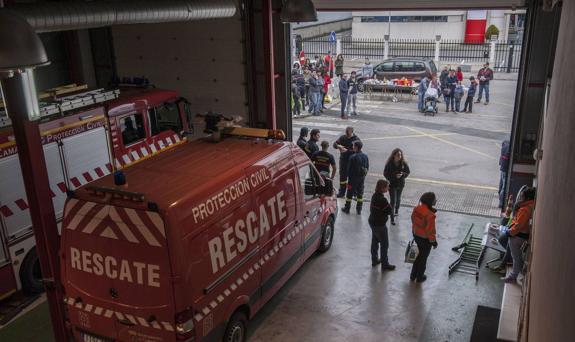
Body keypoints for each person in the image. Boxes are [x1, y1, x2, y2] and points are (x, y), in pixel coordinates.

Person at [501, 187, 536, 283]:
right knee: (518, 257)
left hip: (517, 236)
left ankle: (513, 276)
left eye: (522, 197)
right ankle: (519, 272)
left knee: (515, 256)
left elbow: (518, 225)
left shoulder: (525, 209)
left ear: (527, 198)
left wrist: (509, 232)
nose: (520, 198)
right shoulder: (531, 206)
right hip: (522, 235)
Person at [410, 192, 438, 283]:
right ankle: (420, 277)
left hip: (416, 235)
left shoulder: (416, 208)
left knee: (417, 256)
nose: (436, 200)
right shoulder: (430, 215)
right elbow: (430, 231)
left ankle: (412, 275)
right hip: (425, 240)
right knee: (423, 259)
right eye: (435, 199)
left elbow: (412, 219)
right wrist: (433, 242)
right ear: (430, 201)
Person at [369, 179, 396, 270]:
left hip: (373, 222)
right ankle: (385, 264)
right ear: (383, 188)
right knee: (384, 244)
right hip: (380, 225)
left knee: (375, 242)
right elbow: (389, 210)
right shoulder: (382, 200)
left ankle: (374, 260)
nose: (388, 188)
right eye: (387, 186)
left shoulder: (374, 196)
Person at [384, 148, 410, 225]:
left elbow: (408, 172)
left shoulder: (403, 163)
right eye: (398, 155)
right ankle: (392, 218)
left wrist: (402, 175)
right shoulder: (389, 164)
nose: (400, 156)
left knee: (398, 199)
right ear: (394, 155)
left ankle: (396, 210)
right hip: (392, 185)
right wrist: (394, 176)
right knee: (393, 201)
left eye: (401, 155)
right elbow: (385, 173)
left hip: (401, 184)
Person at [342, 140, 368, 215]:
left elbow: (349, 170)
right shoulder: (365, 156)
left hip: (352, 179)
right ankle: (359, 209)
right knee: (360, 194)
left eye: (353, 146)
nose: (352, 147)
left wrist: (349, 177)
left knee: (349, 194)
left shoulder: (353, 157)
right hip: (361, 179)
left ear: (356, 147)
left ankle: (347, 208)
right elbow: (367, 167)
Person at [333, 126, 361, 197]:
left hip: (352, 162)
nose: (346, 133)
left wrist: (347, 151)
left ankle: (352, 193)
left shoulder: (356, 139)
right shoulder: (343, 137)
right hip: (343, 161)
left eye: (347, 132)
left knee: (351, 178)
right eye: (346, 131)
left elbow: (357, 151)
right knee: (342, 178)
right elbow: (334, 144)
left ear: (352, 131)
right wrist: (338, 146)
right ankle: (342, 192)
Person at [498, 140, 511, 209]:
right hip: (506, 169)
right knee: (504, 186)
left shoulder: (503, 148)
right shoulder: (510, 148)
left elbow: (500, 159)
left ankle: (500, 199)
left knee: (501, 184)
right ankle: (501, 203)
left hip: (502, 168)